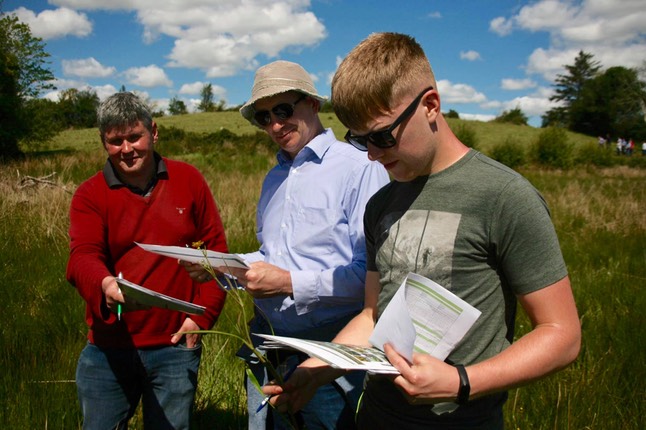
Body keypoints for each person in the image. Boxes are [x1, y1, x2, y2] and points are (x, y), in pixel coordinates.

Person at [263, 32, 581, 429]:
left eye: (381, 136)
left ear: (430, 105)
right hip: (378, 414)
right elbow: (372, 315)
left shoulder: (504, 196)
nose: (372, 155)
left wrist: (461, 382)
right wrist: (317, 370)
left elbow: (561, 334)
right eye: (359, 140)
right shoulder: (380, 204)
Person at [184, 60, 389, 429]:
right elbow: (270, 256)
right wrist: (219, 266)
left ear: (312, 103)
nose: (276, 125)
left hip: (330, 350)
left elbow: (371, 277)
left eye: (283, 110)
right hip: (268, 343)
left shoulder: (359, 167)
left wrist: (286, 283)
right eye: (264, 117)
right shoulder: (274, 178)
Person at [66, 91, 228, 430]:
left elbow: (215, 253)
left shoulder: (188, 180)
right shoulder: (90, 194)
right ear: (103, 142)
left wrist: (203, 317)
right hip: (108, 349)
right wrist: (105, 284)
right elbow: (83, 256)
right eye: (115, 141)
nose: (126, 149)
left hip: (174, 346)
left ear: (153, 132)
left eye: (134, 137)